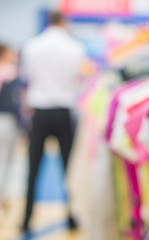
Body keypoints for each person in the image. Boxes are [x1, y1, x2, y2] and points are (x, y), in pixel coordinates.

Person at [21, 11, 86, 232]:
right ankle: (71, 216)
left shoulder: (32, 46)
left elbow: (28, 78)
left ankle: (26, 218)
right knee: (69, 168)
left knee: (33, 168)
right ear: (64, 22)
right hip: (63, 112)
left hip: (39, 112)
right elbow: (76, 79)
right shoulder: (75, 47)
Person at [0, 43, 20, 210]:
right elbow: (16, 101)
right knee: (6, 159)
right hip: (7, 119)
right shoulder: (11, 72)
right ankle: (3, 195)